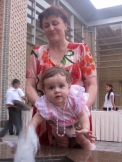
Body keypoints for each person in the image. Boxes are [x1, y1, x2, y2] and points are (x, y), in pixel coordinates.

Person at [25, 5, 97, 146]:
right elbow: (29, 87)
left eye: (55, 23)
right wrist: (47, 111)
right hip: (46, 116)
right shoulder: (36, 53)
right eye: (46, 25)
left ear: (65, 24)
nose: (51, 28)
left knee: (81, 153)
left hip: (77, 114)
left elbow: (92, 84)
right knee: (46, 154)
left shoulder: (81, 49)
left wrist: (78, 111)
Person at [27, 67, 96, 150]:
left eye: (61, 86)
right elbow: (35, 120)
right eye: (51, 88)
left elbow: (82, 115)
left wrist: (85, 128)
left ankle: (91, 155)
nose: (57, 90)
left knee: (83, 141)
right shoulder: (45, 105)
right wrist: (29, 129)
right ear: (45, 91)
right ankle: (63, 156)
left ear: (69, 87)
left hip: (74, 128)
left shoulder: (74, 99)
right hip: (59, 129)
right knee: (62, 143)